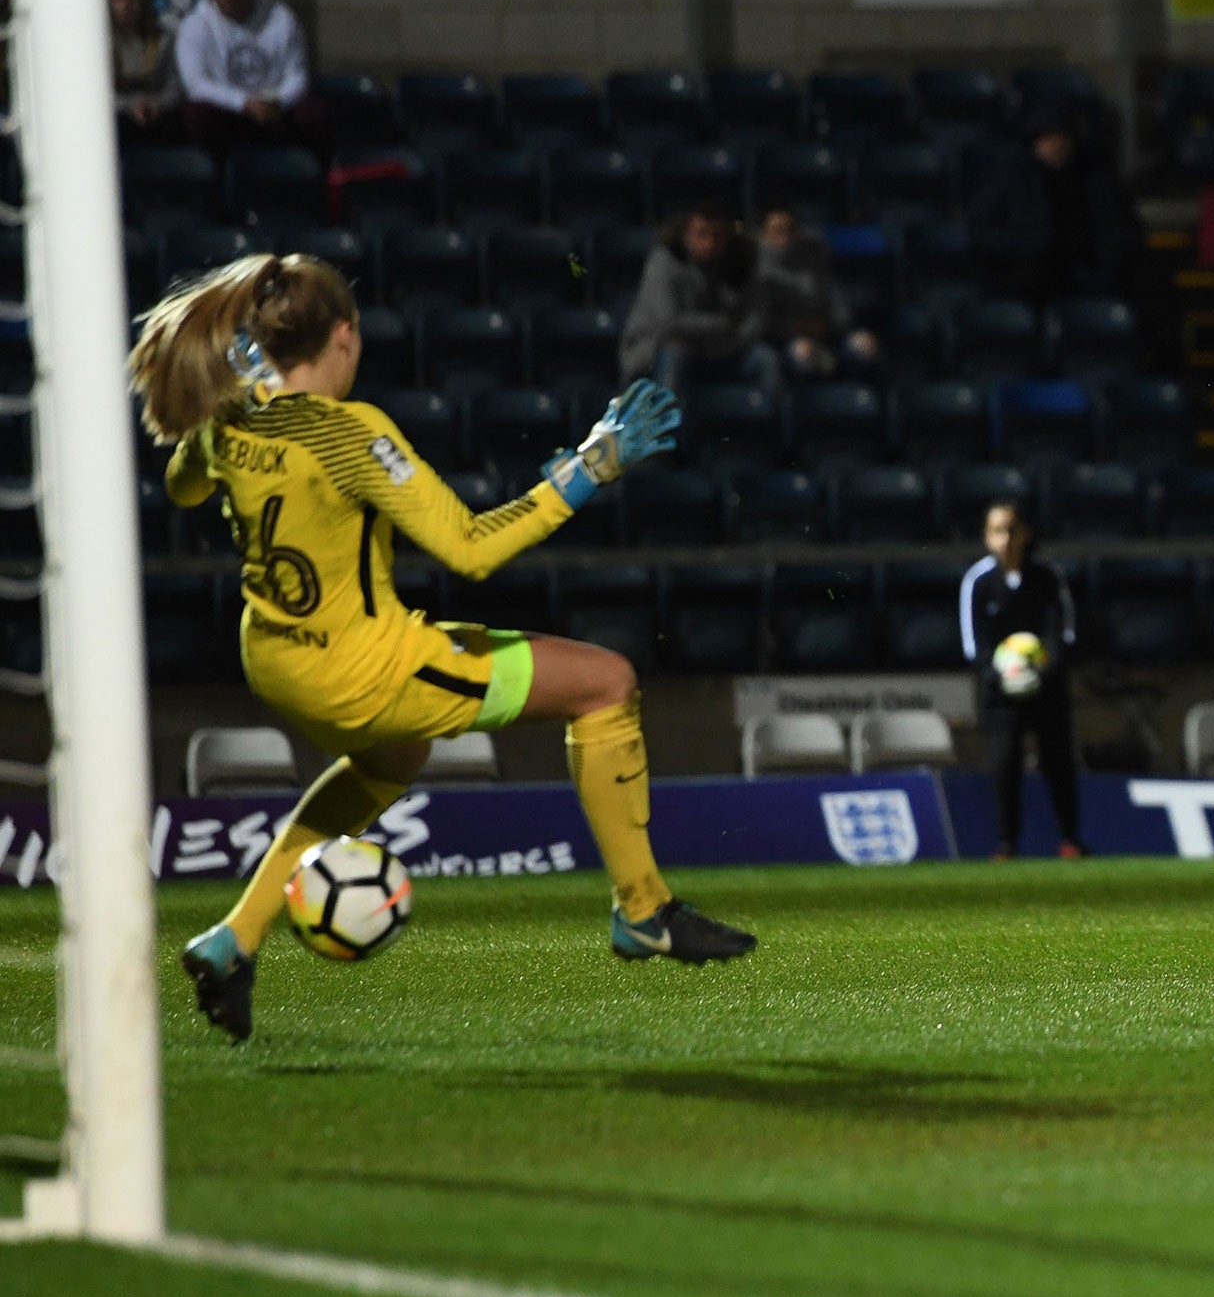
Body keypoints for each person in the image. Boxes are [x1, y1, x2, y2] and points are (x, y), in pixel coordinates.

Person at [130, 253, 755, 1043]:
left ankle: (233, 938)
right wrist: (590, 469)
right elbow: (470, 549)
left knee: (393, 760)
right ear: (345, 338)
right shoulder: (352, 434)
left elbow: (184, 485)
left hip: (276, 660)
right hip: (364, 667)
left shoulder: (233, 419)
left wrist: (238, 399)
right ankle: (646, 911)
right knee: (607, 682)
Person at [959, 499, 1085, 860]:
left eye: (1012, 530)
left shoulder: (1048, 577)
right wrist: (1002, 675)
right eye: (997, 531)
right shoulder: (978, 583)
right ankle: (1006, 845)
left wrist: (1040, 672)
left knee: (1058, 763)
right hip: (1001, 695)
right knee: (1004, 765)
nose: (1006, 539)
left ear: (1025, 533)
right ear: (987, 537)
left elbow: (1062, 634)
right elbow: (975, 646)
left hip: (1047, 690)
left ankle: (1069, 840)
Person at [966, 103, 1136, 304]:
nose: (1055, 144)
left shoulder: (1096, 181)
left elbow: (1122, 228)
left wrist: (1110, 258)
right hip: (1027, 276)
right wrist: (1022, 246)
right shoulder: (1012, 179)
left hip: (1087, 273)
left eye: (1061, 136)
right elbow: (979, 230)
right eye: (1047, 138)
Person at [175, 0, 330, 159]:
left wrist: (278, 102)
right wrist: (244, 103)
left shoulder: (281, 19)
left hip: (276, 110)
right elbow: (197, 84)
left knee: (315, 114)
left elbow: (297, 74)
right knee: (196, 115)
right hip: (227, 111)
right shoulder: (195, 25)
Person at [619, 206, 778, 390]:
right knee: (675, 353)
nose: (709, 243)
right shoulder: (664, 261)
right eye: (701, 234)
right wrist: (720, 325)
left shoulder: (740, 262)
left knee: (765, 359)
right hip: (656, 351)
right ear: (684, 234)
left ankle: (769, 417)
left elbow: (754, 319)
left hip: (722, 350)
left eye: (717, 235)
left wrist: (728, 341)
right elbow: (670, 321)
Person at [747, 204, 881, 381]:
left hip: (827, 335)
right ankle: (810, 402)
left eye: (790, 231)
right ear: (763, 235)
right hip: (783, 345)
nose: (784, 238)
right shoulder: (754, 271)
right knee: (802, 351)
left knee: (865, 342)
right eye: (777, 231)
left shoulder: (814, 264)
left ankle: (857, 397)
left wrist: (826, 326)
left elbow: (841, 309)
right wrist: (795, 328)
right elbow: (758, 324)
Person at [109, 0, 180, 145]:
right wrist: (131, 106)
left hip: (157, 110)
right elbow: (97, 93)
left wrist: (156, 105)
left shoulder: (160, 39)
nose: (126, 5)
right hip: (120, 114)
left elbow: (175, 87)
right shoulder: (100, 43)